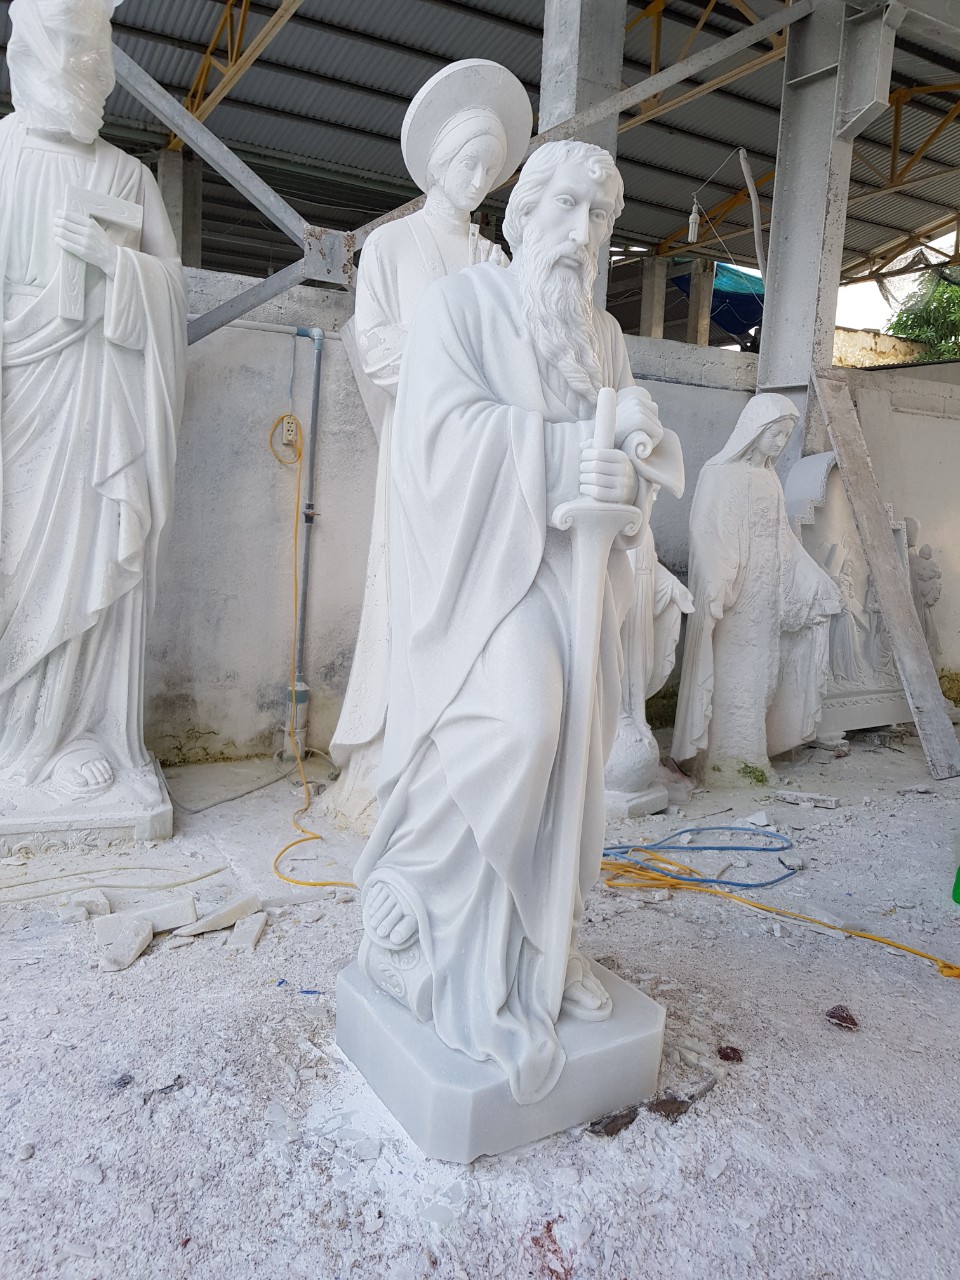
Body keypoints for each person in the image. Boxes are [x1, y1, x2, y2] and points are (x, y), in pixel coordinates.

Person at [352, 139, 683, 1106]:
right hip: (485, 583)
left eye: (601, 216)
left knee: (578, 748)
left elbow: (626, 454)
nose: (582, 233)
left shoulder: (603, 336)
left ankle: (543, 941)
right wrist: (569, 450)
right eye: (566, 208)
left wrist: (626, 473)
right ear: (524, 214)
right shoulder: (460, 306)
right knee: (522, 726)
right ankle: (424, 919)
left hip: (577, 579)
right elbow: (438, 444)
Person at [325, 61, 532, 831]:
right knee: (409, 589)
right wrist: (448, 359)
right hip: (418, 450)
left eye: (490, 167)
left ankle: (456, 746)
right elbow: (375, 343)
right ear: (439, 162)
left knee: (473, 593)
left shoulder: (495, 262)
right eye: (467, 162)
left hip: (480, 457)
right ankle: (392, 749)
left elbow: (516, 356)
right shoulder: (391, 246)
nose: (477, 179)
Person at [0, 0, 185, 806]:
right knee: (16, 566)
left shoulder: (127, 175)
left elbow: (171, 292)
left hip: (102, 405)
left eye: (96, 59)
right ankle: (12, 735)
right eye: (73, 54)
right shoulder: (3, 155)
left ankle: (78, 729)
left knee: (88, 560)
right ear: (32, 55)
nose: (88, 75)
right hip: (18, 397)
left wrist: (117, 269)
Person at [672, 395, 842, 781]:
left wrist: (811, 577)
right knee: (732, 675)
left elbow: (783, 539)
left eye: (786, 436)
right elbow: (707, 534)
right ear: (754, 430)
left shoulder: (769, 479)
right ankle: (723, 762)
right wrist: (718, 580)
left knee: (761, 677)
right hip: (734, 598)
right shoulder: (719, 473)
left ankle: (751, 757)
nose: (780, 443)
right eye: (775, 434)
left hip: (765, 597)